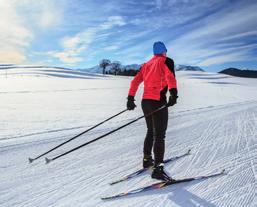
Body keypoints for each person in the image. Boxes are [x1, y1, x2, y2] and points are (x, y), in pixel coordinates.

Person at [126, 41, 178, 181]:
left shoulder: (146, 65)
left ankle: (147, 159)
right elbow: (170, 78)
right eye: (165, 51)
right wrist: (173, 94)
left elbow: (135, 81)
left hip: (145, 102)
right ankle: (158, 169)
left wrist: (130, 98)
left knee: (151, 131)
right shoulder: (167, 61)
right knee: (159, 134)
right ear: (163, 51)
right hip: (157, 101)